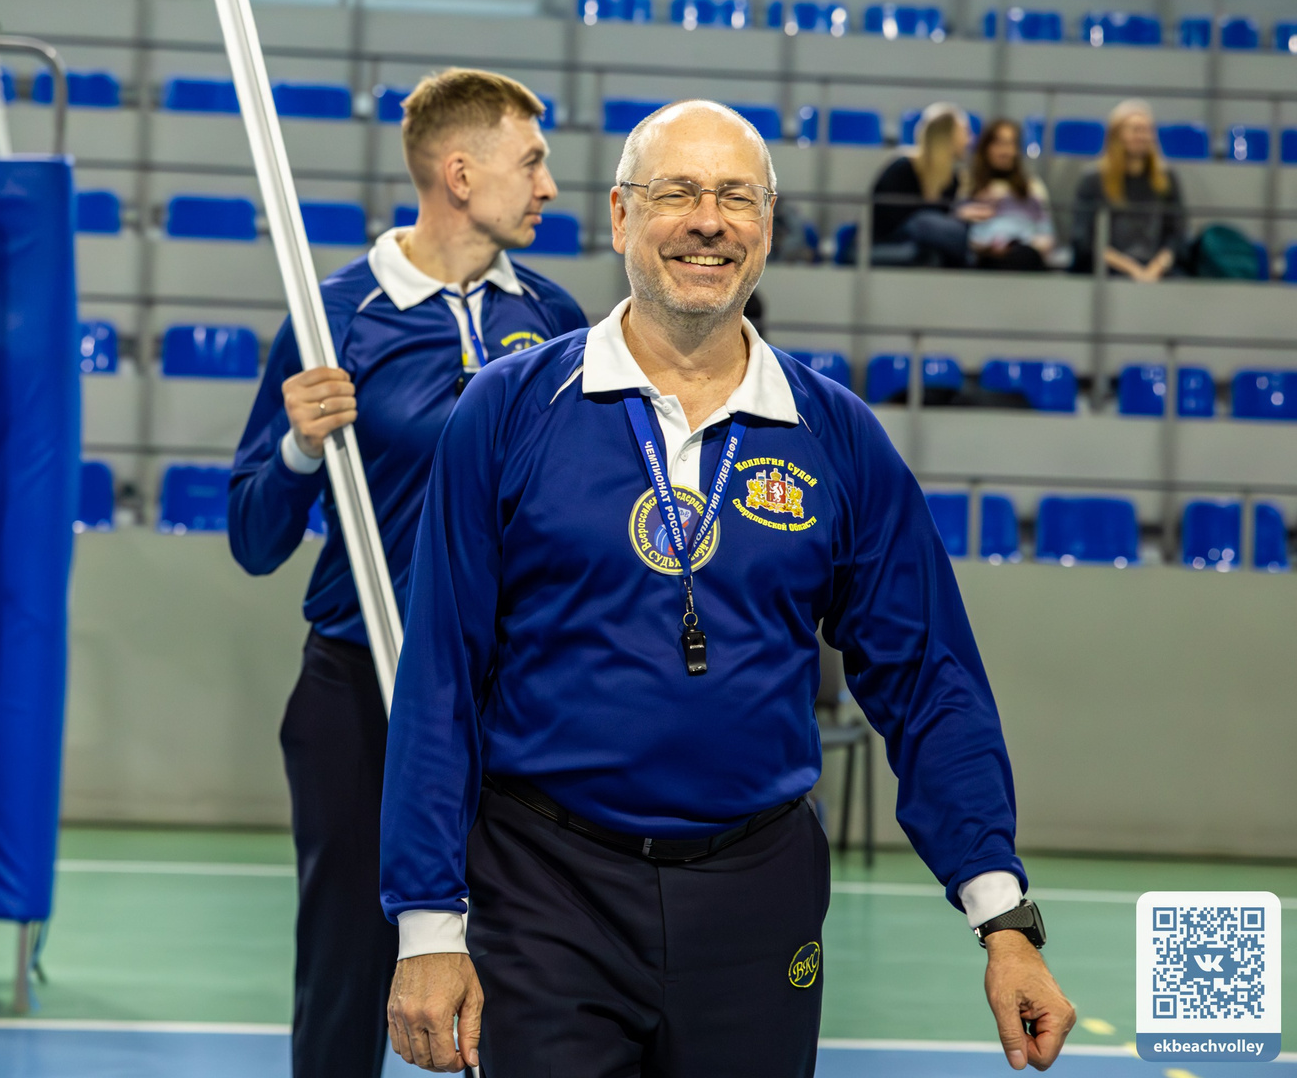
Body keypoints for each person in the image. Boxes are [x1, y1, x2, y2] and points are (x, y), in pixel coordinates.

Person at [381, 99, 1075, 1077]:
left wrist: (1003, 917)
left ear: (768, 227)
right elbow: (440, 676)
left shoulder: (836, 436)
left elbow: (929, 679)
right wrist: (426, 923)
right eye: (678, 192)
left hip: (758, 895)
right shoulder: (509, 410)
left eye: (737, 198)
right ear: (620, 216)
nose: (708, 221)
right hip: (544, 889)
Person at [228, 69, 589, 1078]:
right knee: (348, 962)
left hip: (509, 690)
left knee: (522, 960)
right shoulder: (333, 315)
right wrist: (297, 447)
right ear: (460, 174)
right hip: (360, 684)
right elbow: (252, 537)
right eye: (532, 161)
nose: (550, 186)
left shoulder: (558, 317)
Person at [1070, 99, 1185, 281]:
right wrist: (1133, 270)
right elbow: (1083, 239)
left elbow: (1177, 235)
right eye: (1135, 130)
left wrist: (1155, 268)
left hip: (1157, 271)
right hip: (1107, 269)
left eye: (1147, 130)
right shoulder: (1093, 179)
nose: (1142, 136)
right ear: (1117, 135)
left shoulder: (1166, 178)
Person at [867, 102, 985, 266]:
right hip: (887, 244)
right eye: (965, 132)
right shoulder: (903, 168)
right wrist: (955, 216)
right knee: (926, 224)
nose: (970, 140)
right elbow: (897, 222)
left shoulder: (952, 180)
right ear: (947, 135)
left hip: (927, 247)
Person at [961, 118, 1054, 271]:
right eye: (999, 143)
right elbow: (958, 232)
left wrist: (1025, 245)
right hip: (982, 257)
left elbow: (1047, 235)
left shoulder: (1032, 187)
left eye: (1011, 144)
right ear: (986, 148)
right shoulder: (968, 185)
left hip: (1025, 255)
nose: (1005, 151)